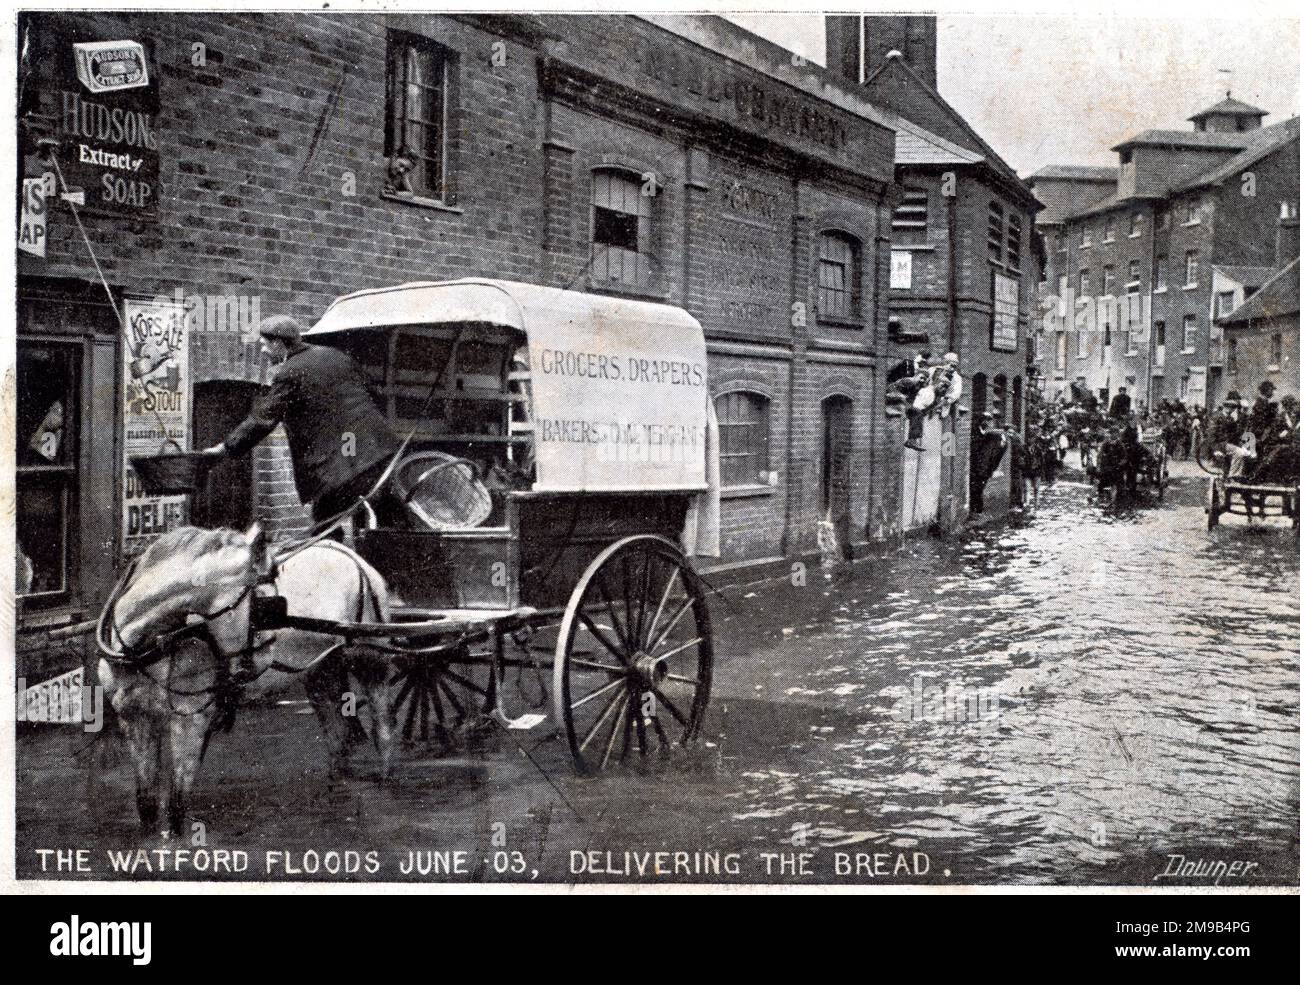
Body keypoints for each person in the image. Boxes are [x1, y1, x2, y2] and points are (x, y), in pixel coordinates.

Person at [203, 315, 403, 533]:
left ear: (278, 343)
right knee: (381, 526)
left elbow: (262, 420)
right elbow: (374, 393)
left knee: (326, 527)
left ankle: (331, 563)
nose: (262, 351)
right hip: (379, 452)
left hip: (340, 466)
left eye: (264, 344)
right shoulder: (335, 355)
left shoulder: (289, 372)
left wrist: (226, 448)